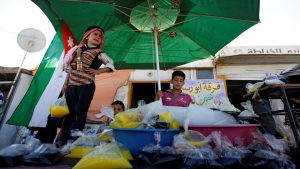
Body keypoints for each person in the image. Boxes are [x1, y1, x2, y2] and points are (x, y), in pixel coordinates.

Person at [60, 25, 115, 145]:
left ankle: (72, 141)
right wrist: (65, 84)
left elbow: (110, 64)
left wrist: (98, 71)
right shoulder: (76, 50)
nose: (98, 37)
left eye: (100, 36)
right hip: (72, 85)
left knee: (80, 112)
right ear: (87, 36)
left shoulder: (99, 52)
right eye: (95, 34)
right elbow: (71, 69)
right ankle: (62, 140)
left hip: (86, 85)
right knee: (69, 114)